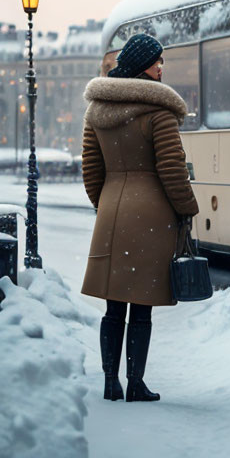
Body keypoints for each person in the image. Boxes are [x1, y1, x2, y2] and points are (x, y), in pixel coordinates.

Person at [81, 34, 199, 402]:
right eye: (156, 61)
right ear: (140, 65)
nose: (161, 68)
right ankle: (135, 383)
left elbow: (91, 169)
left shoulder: (96, 111)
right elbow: (171, 169)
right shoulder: (158, 111)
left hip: (111, 211)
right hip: (150, 213)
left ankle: (109, 382)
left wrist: (105, 204)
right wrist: (187, 209)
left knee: (113, 306)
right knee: (141, 308)